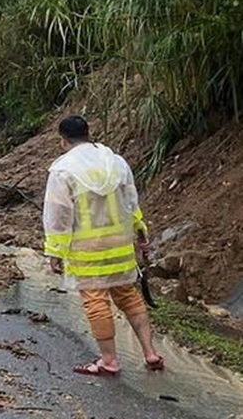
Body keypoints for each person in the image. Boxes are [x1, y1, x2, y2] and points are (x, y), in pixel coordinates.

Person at [42, 115, 165, 376]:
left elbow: (58, 215)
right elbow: (131, 200)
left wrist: (55, 251)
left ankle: (109, 360)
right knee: (129, 296)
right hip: (120, 244)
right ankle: (150, 353)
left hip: (87, 248)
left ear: (62, 141)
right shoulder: (116, 162)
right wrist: (140, 230)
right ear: (88, 134)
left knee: (95, 300)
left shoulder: (63, 170)